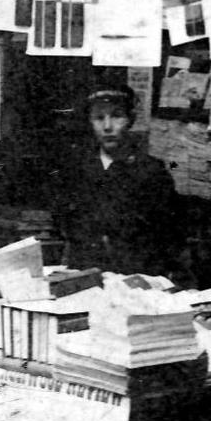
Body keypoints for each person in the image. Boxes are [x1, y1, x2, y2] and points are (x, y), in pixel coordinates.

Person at [51, 84, 184, 279]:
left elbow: (168, 237)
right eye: (98, 118)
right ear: (89, 122)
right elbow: (65, 224)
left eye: (116, 116)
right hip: (85, 277)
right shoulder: (76, 171)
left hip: (137, 280)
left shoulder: (152, 171)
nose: (107, 126)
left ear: (130, 120)